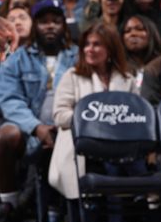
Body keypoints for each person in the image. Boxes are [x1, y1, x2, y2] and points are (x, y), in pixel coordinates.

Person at [0, 0, 77, 222]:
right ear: (35, 26)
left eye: (56, 21)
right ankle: (9, 203)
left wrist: (65, 126)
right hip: (31, 133)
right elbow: (7, 98)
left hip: (70, 131)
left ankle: (76, 209)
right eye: (44, 22)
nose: (50, 26)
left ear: (64, 26)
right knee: (4, 134)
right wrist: (37, 127)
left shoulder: (78, 56)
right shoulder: (16, 57)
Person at [48, 22, 139, 202]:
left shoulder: (127, 80)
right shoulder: (72, 76)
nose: (90, 49)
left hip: (121, 145)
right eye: (87, 44)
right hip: (83, 146)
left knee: (134, 165)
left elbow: (137, 116)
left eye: (97, 44)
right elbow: (60, 116)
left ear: (110, 49)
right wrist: (94, 120)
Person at [120, 14, 161, 90]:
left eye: (139, 29)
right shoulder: (119, 67)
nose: (133, 34)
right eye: (127, 31)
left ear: (151, 32)